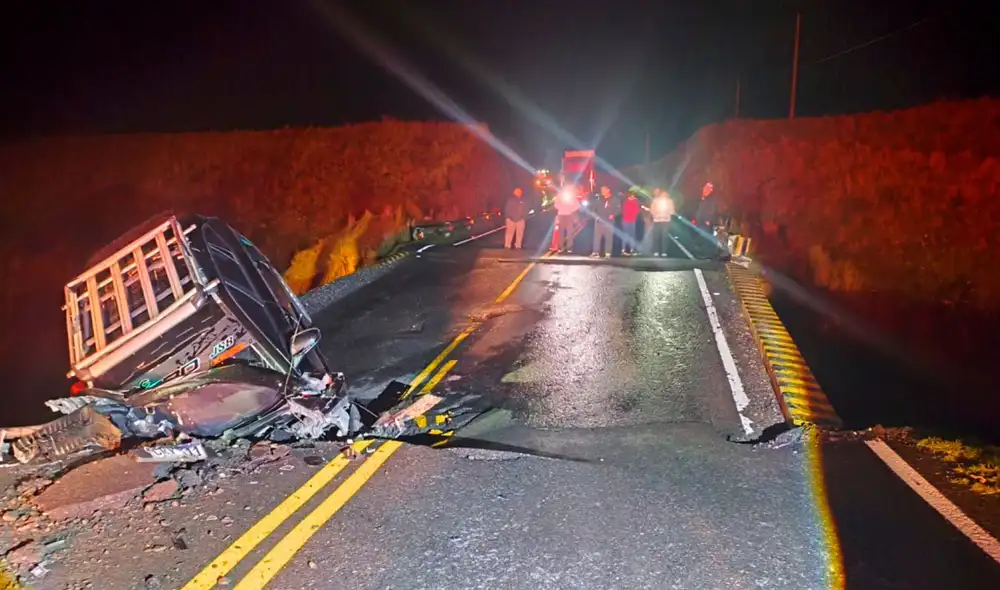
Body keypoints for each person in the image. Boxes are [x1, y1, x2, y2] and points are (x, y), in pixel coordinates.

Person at [590, 186, 619, 258]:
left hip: (609, 221)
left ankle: (608, 252)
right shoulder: (599, 199)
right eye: (601, 190)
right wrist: (595, 216)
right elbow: (594, 208)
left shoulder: (614, 199)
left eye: (603, 190)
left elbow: (618, 210)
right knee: (597, 237)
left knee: (608, 237)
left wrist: (613, 214)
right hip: (599, 220)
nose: (602, 191)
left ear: (608, 190)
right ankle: (595, 252)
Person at [554, 186, 581, 253]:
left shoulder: (572, 197)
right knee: (561, 232)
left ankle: (569, 247)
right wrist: (560, 203)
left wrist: (570, 209)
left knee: (569, 232)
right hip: (561, 215)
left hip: (569, 216)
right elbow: (556, 205)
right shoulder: (560, 197)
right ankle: (560, 247)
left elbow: (578, 206)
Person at [650, 188, 676, 257]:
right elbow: (652, 210)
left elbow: (672, 211)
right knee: (657, 236)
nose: (664, 195)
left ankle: (662, 251)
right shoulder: (656, 200)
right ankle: (657, 251)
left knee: (663, 237)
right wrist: (656, 214)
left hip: (664, 221)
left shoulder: (669, 201)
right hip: (658, 220)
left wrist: (667, 213)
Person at [621, 188, 642, 255]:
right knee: (626, 234)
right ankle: (625, 248)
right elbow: (625, 210)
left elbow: (637, 211)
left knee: (631, 235)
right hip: (626, 220)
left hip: (632, 220)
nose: (633, 197)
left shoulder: (635, 202)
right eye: (632, 196)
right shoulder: (626, 202)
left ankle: (631, 248)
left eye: (634, 196)